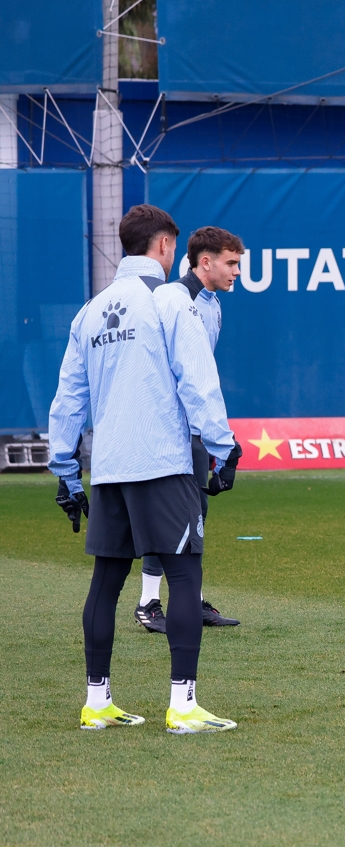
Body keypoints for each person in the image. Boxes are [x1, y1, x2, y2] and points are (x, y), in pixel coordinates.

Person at [48, 204, 243, 734]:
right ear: (164, 246)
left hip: (110, 467)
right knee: (184, 575)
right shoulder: (173, 299)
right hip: (163, 461)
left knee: (106, 582)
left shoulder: (90, 312)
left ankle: (97, 702)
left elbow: (69, 398)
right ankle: (183, 706)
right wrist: (224, 447)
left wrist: (65, 469)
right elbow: (197, 378)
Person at [137, 227, 245, 632]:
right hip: (165, 428)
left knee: (195, 513)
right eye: (231, 263)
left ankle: (191, 599)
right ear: (205, 261)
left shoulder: (212, 305)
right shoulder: (172, 299)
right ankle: (148, 602)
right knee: (166, 514)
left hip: (193, 427)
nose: (237, 271)